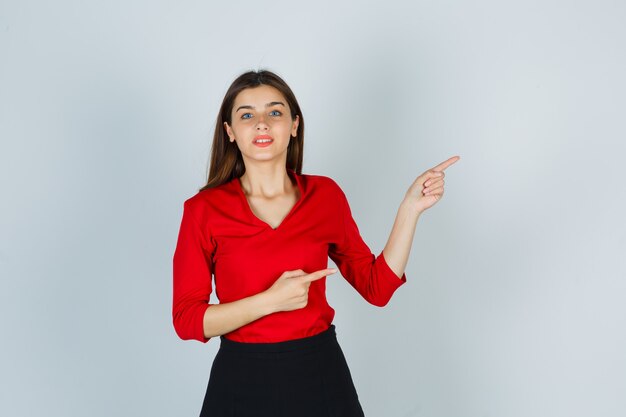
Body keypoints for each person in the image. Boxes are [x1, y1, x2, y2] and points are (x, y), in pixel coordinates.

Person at [172, 69, 460, 417]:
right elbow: (188, 319)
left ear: (294, 124)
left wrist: (410, 209)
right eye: (247, 115)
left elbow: (377, 287)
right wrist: (270, 301)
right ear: (230, 132)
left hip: (319, 375)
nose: (262, 123)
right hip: (240, 380)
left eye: (274, 112)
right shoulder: (203, 210)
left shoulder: (325, 196)